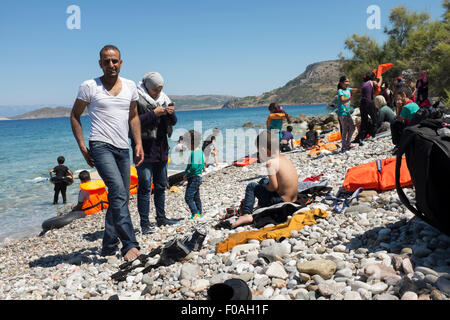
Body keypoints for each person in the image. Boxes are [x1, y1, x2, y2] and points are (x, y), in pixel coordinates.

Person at [70, 45, 144, 262]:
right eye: (106, 61)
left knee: (120, 195)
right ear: (100, 63)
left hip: (123, 147)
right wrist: (83, 147)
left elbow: (133, 116)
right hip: (100, 146)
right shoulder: (89, 86)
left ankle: (108, 245)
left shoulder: (130, 86)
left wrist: (138, 143)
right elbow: (75, 115)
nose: (111, 65)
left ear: (121, 62)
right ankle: (129, 245)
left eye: (114, 61)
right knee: (118, 191)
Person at [220, 130, 298, 229]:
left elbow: (274, 187)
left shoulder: (271, 162)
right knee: (263, 180)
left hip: (281, 201)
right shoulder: (285, 159)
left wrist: (265, 187)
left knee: (252, 186)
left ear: (264, 149)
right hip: (293, 198)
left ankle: (246, 214)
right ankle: (260, 205)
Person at [132, 72, 179, 234]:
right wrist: (154, 114)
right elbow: (133, 123)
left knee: (160, 186)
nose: (158, 92)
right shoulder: (136, 98)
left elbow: (174, 122)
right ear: (147, 87)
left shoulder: (164, 99)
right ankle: (144, 224)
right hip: (143, 151)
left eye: (161, 89)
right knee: (145, 187)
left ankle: (161, 218)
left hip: (161, 150)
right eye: (155, 90)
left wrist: (171, 113)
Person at [183, 130, 205, 221]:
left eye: (186, 143)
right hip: (199, 176)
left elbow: (194, 166)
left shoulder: (194, 153)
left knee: (188, 197)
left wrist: (187, 172)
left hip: (194, 177)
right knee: (196, 196)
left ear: (190, 143)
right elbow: (203, 164)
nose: (186, 145)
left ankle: (195, 213)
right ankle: (200, 213)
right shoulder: (200, 152)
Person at [390, 83, 420, 148]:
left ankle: (399, 144)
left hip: (411, 129)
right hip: (417, 126)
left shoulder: (406, 107)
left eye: (397, 97)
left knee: (394, 124)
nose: (396, 99)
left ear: (403, 95)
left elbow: (399, 119)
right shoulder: (413, 103)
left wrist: (398, 107)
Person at [356, 71, 381, 145]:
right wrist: (380, 79)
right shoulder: (371, 82)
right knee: (375, 119)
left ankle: (361, 138)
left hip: (362, 103)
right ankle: (373, 135)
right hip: (369, 102)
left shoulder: (364, 83)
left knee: (364, 121)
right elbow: (378, 86)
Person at [337, 76, 361, 152]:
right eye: (346, 82)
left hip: (347, 113)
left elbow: (357, 90)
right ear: (341, 83)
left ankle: (347, 143)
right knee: (345, 130)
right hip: (342, 113)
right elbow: (343, 100)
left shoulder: (348, 89)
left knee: (352, 128)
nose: (348, 83)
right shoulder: (340, 91)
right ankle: (344, 146)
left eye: (348, 81)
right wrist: (351, 97)